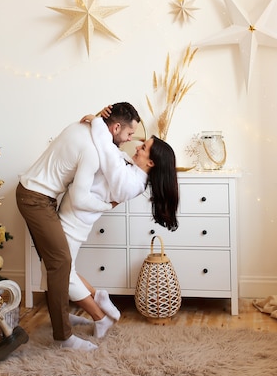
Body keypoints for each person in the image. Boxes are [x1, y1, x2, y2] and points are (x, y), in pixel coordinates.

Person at [16, 102, 141, 350]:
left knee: (55, 264)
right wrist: (109, 205)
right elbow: (81, 197)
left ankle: (60, 318)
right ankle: (64, 337)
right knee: (61, 263)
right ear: (115, 127)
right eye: (128, 134)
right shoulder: (93, 150)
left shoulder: (83, 126)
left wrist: (96, 116)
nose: (129, 140)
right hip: (35, 199)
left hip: (39, 196)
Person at [58, 109, 179, 338]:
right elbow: (112, 147)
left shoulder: (130, 183)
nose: (136, 146)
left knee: (62, 275)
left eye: (143, 148)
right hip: (72, 216)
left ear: (151, 162)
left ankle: (100, 317)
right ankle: (97, 299)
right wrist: (104, 118)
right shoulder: (133, 174)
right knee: (65, 269)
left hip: (74, 223)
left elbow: (107, 151)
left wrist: (97, 123)